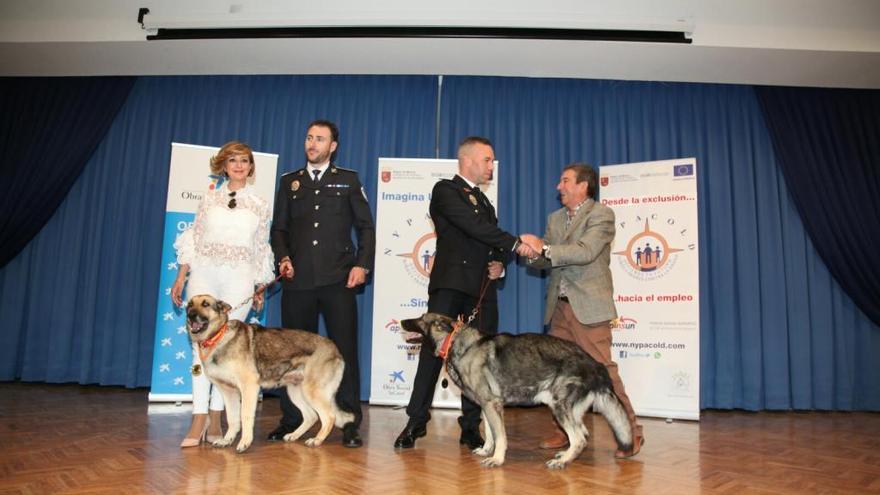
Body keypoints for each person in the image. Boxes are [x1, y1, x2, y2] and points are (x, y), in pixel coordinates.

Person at [393, 136, 536, 450]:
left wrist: (500, 262)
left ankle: (471, 426)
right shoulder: (445, 190)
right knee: (432, 355)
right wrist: (514, 244)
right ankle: (415, 422)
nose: (491, 166)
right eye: (487, 160)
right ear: (468, 160)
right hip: (450, 284)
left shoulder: (486, 202)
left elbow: (490, 244)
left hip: (481, 290)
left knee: (480, 360)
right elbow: (472, 226)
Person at [520, 163, 644, 458]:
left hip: (590, 308)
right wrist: (531, 253)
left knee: (602, 371)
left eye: (564, 181)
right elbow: (547, 260)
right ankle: (566, 429)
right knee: (558, 374)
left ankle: (632, 432)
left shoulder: (601, 215)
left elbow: (586, 251)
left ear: (583, 186)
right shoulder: (555, 218)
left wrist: (545, 248)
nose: (558, 186)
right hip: (560, 310)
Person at [268, 120, 375, 448]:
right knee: (292, 356)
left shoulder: (348, 180)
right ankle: (293, 419)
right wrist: (283, 257)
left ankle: (348, 422)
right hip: (298, 282)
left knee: (343, 352)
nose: (312, 144)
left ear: (333, 146)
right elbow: (279, 230)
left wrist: (361, 265)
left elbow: (366, 228)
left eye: (320, 139)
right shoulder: (290, 182)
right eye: (309, 138)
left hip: (337, 280)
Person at [170, 141, 275, 448]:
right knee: (199, 351)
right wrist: (181, 276)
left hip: (240, 278)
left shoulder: (260, 203)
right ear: (224, 165)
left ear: (251, 167)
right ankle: (198, 417)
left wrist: (258, 286)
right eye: (233, 160)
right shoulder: (210, 198)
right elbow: (194, 237)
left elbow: (260, 248)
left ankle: (217, 416)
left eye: (244, 160)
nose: (239, 165)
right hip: (204, 273)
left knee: (226, 350)